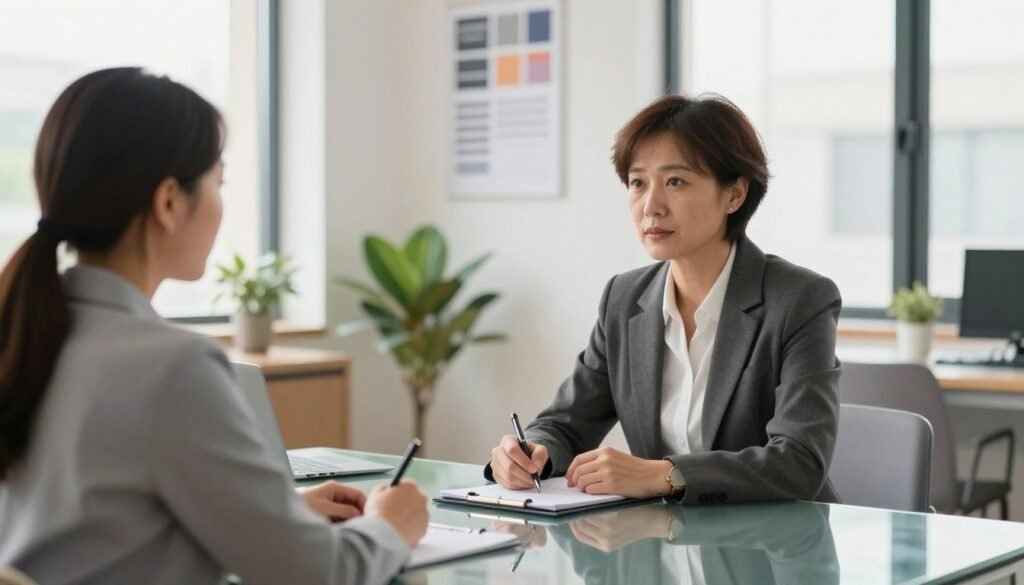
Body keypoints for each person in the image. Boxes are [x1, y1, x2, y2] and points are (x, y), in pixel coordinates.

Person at [0, 68, 428, 585]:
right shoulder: (171, 368)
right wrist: (388, 526)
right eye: (218, 183)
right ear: (169, 202)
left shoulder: (27, 331)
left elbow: (90, 523)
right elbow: (319, 574)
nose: (221, 205)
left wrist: (271, 511)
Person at [486, 94, 842, 504]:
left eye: (675, 181)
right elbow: (566, 423)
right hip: (666, 545)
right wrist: (533, 452)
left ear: (734, 195)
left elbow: (798, 462)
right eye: (638, 183)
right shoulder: (624, 298)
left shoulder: (799, 300)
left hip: (777, 550)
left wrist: (666, 475)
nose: (650, 206)